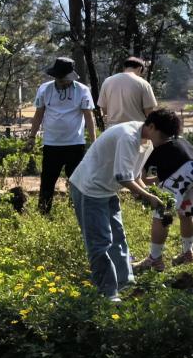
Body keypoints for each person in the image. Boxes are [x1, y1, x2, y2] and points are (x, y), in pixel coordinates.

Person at [68, 114, 164, 301]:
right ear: (152, 127)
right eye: (163, 135)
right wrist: (148, 196)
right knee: (100, 243)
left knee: (118, 237)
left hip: (108, 189)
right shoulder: (128, 136)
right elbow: (123, 177)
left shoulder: (147, 142)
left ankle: (125, 283)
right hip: (89, 189)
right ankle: (108, 293)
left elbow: (135, 175)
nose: (164, 140)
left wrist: (149, 194)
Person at [132, 110, 193, 273]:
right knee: (186, 213)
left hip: (182, 173)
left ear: (154, 127)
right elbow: (166, 176)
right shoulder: (180, 141)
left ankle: (154, 259)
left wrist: (142, 192)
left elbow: (140, 177)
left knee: (161, 214)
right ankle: (187, 253)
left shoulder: (155, 147)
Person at [26, 58, 96, 215]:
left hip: (75, 144)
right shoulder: (45, 89)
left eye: (65, 78)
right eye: (60, 78)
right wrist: (31, 137)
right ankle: (43, 212)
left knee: (76, 181)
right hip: (51, 144)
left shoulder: (82, 90)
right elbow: (38, 114)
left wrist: (94, 141)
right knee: (47, 181)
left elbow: (88, 117)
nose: (63, 81)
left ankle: (76, 211)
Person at [97, 57, 157, 125]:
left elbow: (104, 107)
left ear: (125, 68)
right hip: (136, 127)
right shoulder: (143, 84)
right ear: (140, 68)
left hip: (113, 127)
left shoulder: (107, 81)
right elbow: (149, 112)